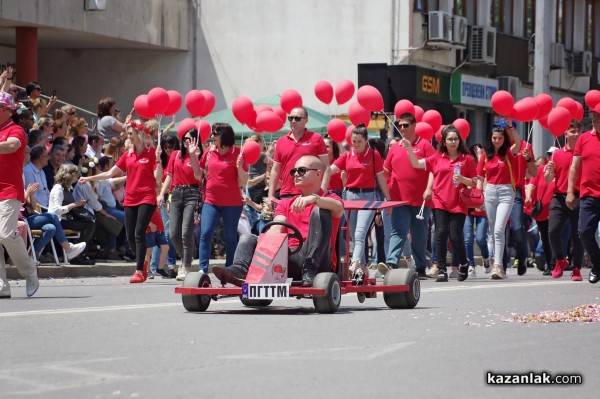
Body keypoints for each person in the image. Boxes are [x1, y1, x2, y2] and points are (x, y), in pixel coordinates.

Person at [212, 155, 344, 287]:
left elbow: (338, 208)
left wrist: (314, 199)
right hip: (291, 258)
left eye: (301, 170)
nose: (296, 174)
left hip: (319, 262)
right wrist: (261, 244)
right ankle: (240, 271)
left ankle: (310, 268)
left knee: (321, 211)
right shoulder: (286, 203)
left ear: (318, 173)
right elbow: (276, 228)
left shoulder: (330, 200)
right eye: (293, 171)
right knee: (248, 238)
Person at [80, 120, 160, 283]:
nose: (127, 136)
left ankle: (138, 270)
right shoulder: (128, 154)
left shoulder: (151, 152)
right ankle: (143, 264)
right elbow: (110, 173)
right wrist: (89, 177)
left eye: (130, 133)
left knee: (139, 232)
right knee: (131, 236)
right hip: (130, 198)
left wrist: (158, 161)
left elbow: (157, 180)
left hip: (147, 197)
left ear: (139, 134)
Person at [396, 125, 476, 282]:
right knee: (439, 234)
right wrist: (409, 150)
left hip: (459, 202)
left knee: (455, 237)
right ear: (444, 142)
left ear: (460, 141)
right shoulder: (437, 158)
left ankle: (464, 263)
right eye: (450, 139)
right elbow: (416, 164)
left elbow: (474, 181)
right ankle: (441, 269)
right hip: (440, 201)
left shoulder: (467, 159)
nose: (453, 142)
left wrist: (463, 180)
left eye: (456, 139)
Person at [330, 124, 391, 279]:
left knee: (360, 233)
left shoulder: (373, 155)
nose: (356, 144)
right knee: (353, 235)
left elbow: (381, 178)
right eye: (354, 141)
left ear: (366, 141)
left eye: (359, 141)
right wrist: (317, 172)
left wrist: (388, 199)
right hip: (349, 196)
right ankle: (363, 268)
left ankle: (355, 263)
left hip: (368, 197)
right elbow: (331, 170)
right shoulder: (347, 155)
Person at [382, 114, 435, 277]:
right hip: (400, 198)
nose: (402, 128)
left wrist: (429, 189)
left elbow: (434, 168)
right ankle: (391, 263)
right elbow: (386, 171)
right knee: (398, 230)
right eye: (400, 125)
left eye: (406, 125)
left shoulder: (425, 145)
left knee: (419, 235)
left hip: (420, 199)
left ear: (414, 126)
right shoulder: (395, 147)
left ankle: (420, 267)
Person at [0, 91, 39, 298]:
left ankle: (29, 269)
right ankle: (2, 285)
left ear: (7, 110)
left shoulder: (16, 130)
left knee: (6, 233)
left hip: (9, 190)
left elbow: (12, 146)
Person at [197, 123, 248, 277]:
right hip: (211, 201)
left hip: (232, 204)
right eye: (212, 133)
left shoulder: (237, 153)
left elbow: (244, 181)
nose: (212, 136)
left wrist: (239, 167)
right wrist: (193, 156)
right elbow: (198, 174)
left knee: (230, 236)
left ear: (224, 136)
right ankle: (202, 269)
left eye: (215, 134)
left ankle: (230, 269)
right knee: (205, 233)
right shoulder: (209, 151)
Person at [476, 119, 522, 280]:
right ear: (490, 138)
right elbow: (480, 177)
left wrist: (510, 127)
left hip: (506, 192)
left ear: (504, 139)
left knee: (498, 229)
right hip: (489, 192)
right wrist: (479, 194)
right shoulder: (485, 156)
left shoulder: (508, 152)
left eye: (500, 138)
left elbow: (518, 142)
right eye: (494, 138)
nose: (497, 140)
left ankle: (497, 266)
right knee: (492, 230)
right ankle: (500, 265)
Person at [157, 127, 203, 281]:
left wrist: (193, 155)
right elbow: (169, 176)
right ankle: (186, 257)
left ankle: (186, 266)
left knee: (186, 232)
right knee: (173, 233)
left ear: (196, 141)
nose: (186, 142)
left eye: (189, 139)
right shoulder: (176, 155)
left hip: (192, 193)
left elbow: (198, 175)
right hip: (176, 193)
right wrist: (162, 194)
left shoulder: (198, 155)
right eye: (184, 139)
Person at [544, 122, 583, 280]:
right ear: (565, 134)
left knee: (578, 235)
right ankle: (560, 260)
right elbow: (547, 179)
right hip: (559, 197)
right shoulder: (557, 154)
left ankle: (577, 268)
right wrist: (550, 170)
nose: (576, 134)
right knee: (552, 232)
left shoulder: (584, 153)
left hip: (579, 196)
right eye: (572, 131)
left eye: (578, 131)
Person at [267, 107, 330, 205]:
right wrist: (270, 195)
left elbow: (326, 167)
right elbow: (275, 170)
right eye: (290, 118)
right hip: (286, 194)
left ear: (306, 120)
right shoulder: (281, 141)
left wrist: (322, 190)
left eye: (297, 118)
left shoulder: (316, 138)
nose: (293, 121)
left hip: (310, 194)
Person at [567, 105, 600, 284]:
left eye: (598, 116)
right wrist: (570, 192)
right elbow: (574, 166)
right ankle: (597, 263)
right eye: (594, 115)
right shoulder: (584, 139)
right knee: (584, 232)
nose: (594, 119)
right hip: (588, 195)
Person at [48, 163, 97, 265]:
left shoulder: (67, 189)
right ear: (69, 175)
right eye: (75, 175)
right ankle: (77, 256)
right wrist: (74, 204)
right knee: (89, 224)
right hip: (58, 221)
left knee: (90, 221)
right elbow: (56, 210)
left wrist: (77, 205)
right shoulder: (58, 189)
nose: (77, 177)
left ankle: (79, 254)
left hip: (66, 219)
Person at [527, 149, 556, 277]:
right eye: (549, 155)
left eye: (554, 155)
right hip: (541, 211)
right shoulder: (540, 170)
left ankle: (555, 263)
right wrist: (528, 196)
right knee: (544, 238)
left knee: (553, 236)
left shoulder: (559, 172)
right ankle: (550, 264)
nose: (551, 157)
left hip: (556, 211)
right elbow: (531, 185)